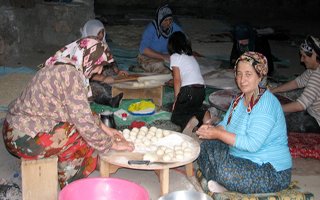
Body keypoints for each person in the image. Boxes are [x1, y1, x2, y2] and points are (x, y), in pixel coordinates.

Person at [2, 37, 134, 188]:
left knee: (83, 129)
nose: (99, 71)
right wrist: (111, 144)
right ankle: (72, 183)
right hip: (23, 139)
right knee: (81, 134)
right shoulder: (70, 76)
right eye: (99, 66)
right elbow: (84, 124)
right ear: (89, 59)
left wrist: (106, 130)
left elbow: (78, 110)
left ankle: (78, 167)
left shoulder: (63, 65)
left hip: (14, 129)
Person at [196, 51, 292, 194]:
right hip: (239, 157)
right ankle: (223, 182)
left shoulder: (266, 104)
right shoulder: (239, 99)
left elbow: (252, 144)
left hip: (270, 170)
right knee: (205, 148)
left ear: (260, 76)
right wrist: (211, 129)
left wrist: (217, 134)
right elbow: (225, 125)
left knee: (226, 171)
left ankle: (222, 180)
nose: (242, 79)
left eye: (248, 74)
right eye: (239, 74)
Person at [270, 35, 320, 133]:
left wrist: (274, 109)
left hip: (316, 122)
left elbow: (300, 105)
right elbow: (298, 82)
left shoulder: (318, 75)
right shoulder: (314, 68)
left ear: (315, 56)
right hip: (311, 112)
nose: (301, 60)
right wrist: (273, 90)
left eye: (304, 56)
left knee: (276, 123)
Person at [168, 31, 211, 132]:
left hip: (189, 90)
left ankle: (190, 121)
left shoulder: (174, 56)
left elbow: (177, 80)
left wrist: (176, 100)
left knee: (176, 116)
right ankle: (205, 115)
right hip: (201, 90)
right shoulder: (191, 57)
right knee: (191, 109)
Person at [81, 19, 128, 107]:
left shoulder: (103, 45)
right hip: (87, 79)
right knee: (93, 88)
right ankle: (109, 101)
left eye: (102, 32)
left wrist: (118, 72)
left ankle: (114, 93)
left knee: (112, 81)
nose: (101, 35)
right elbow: (83, 73)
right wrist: (103, 78)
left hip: (102, 76)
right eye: (98, 33)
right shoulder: (83, 49)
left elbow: (111, 62)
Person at [132, 4, 183, 73]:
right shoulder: (151, 28)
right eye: (165, 20)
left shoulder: (175, 27)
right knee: (161, 68)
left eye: (170, 19)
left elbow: (183, 42)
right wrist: (163, 56)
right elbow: (143, 49)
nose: (168, 23)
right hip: (149, 56)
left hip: (169, 57)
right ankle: (142, 67)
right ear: (160, 19)